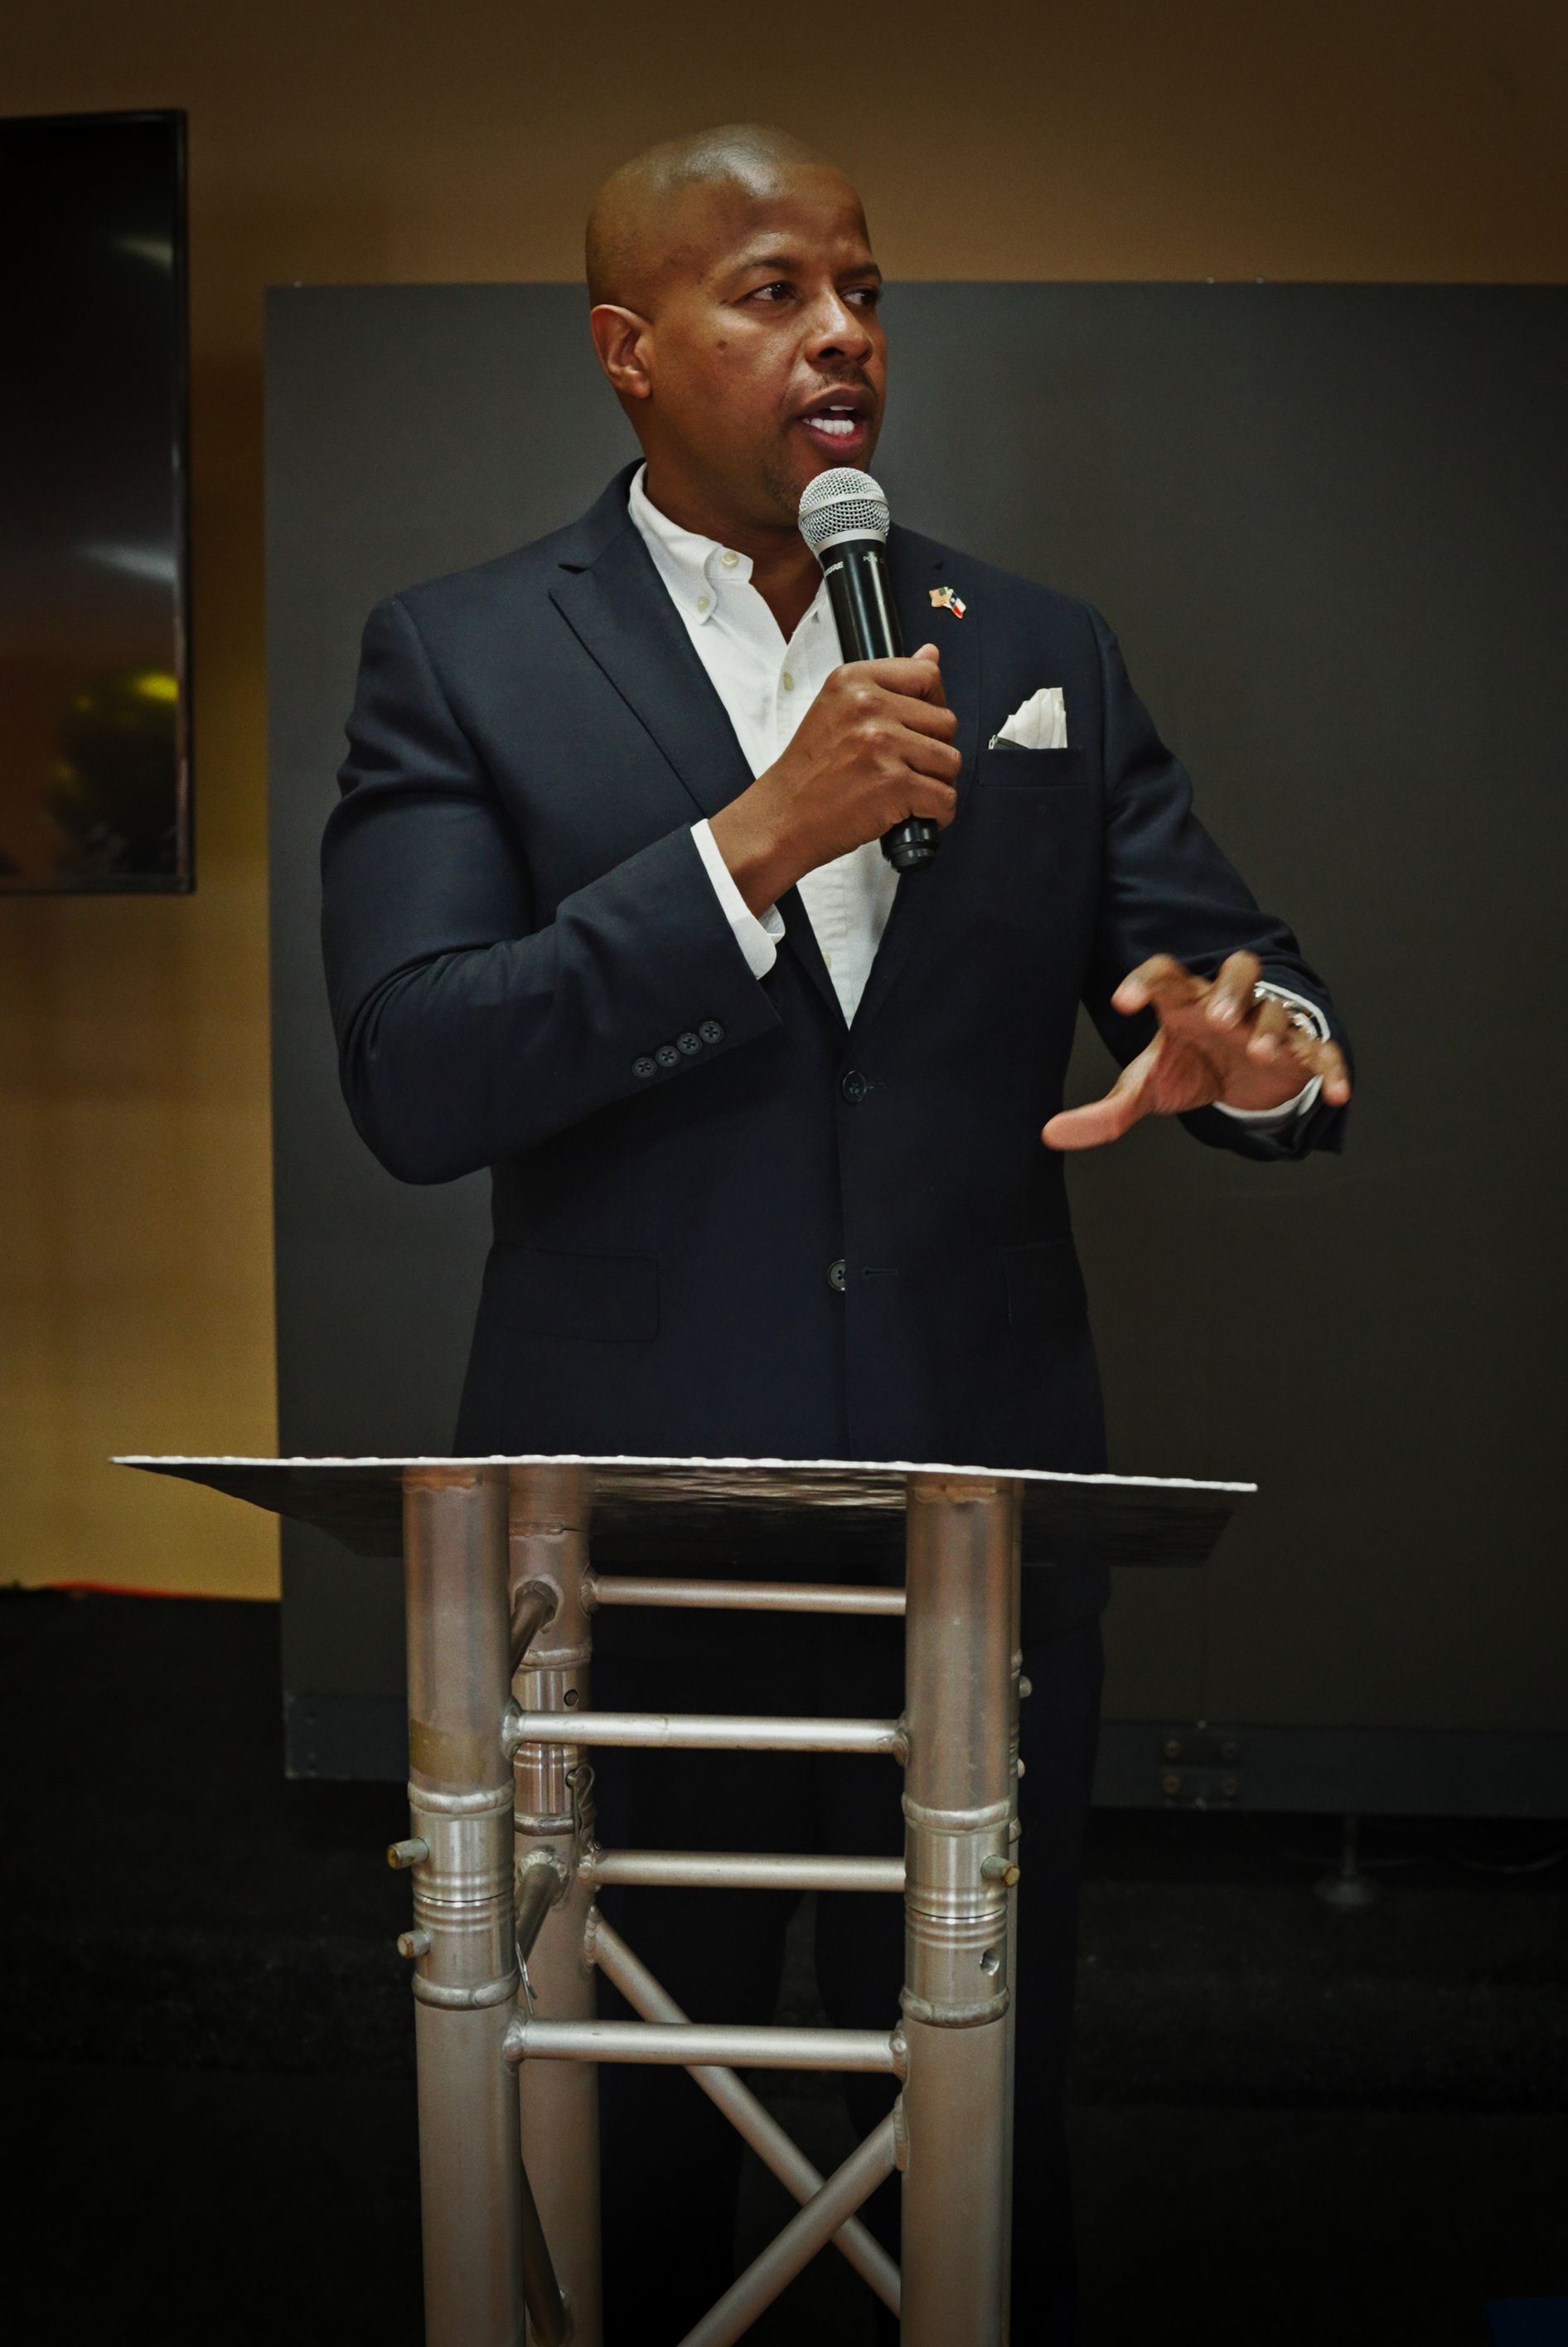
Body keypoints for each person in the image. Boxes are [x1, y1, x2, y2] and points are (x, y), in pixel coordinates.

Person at [322, 123, 1351, 2342]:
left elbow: (1211, 961)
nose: (842, 336)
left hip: (978, 1520)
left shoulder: (1035, 646)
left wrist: (1255, 1049)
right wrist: (746, 849)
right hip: (628, 1542)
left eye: (862, 290)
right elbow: (416, 1070)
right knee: (636, 2127)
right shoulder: (462, 656)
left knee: (988, 2115)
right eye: (770, 292)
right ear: (627, 349)